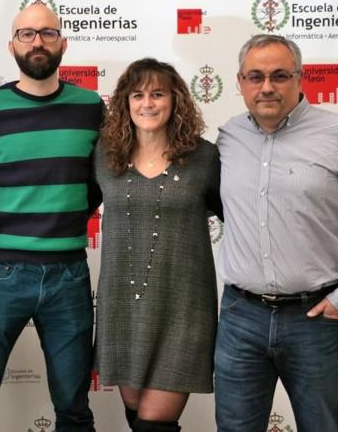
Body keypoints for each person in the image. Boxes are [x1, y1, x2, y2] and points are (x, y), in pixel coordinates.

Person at [0, 3, 104, 432]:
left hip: (69, 275)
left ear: (63, 42)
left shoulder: (92, 108)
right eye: (26, 33)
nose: (37, 41)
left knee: (74, 409)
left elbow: (101, 182)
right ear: (11, 45)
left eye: (47, 33)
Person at [215, 34, 338, 432]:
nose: (267, 87)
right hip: (240, 318)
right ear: (240, 82)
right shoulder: (228, 137)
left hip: (315, 319)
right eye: (256, 76)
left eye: (280, 75)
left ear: (300, 78)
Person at [93, 58, 222, 432]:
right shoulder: (104, 155)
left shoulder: (205, 157)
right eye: (138, 95)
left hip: (183, 311)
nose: (147, 103)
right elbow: (70, 203)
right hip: (122, 310)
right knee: (137, 419)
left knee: (153, 423)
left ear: (176, 100)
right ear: (125, 102)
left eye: (158, 94)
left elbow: (241, 216)